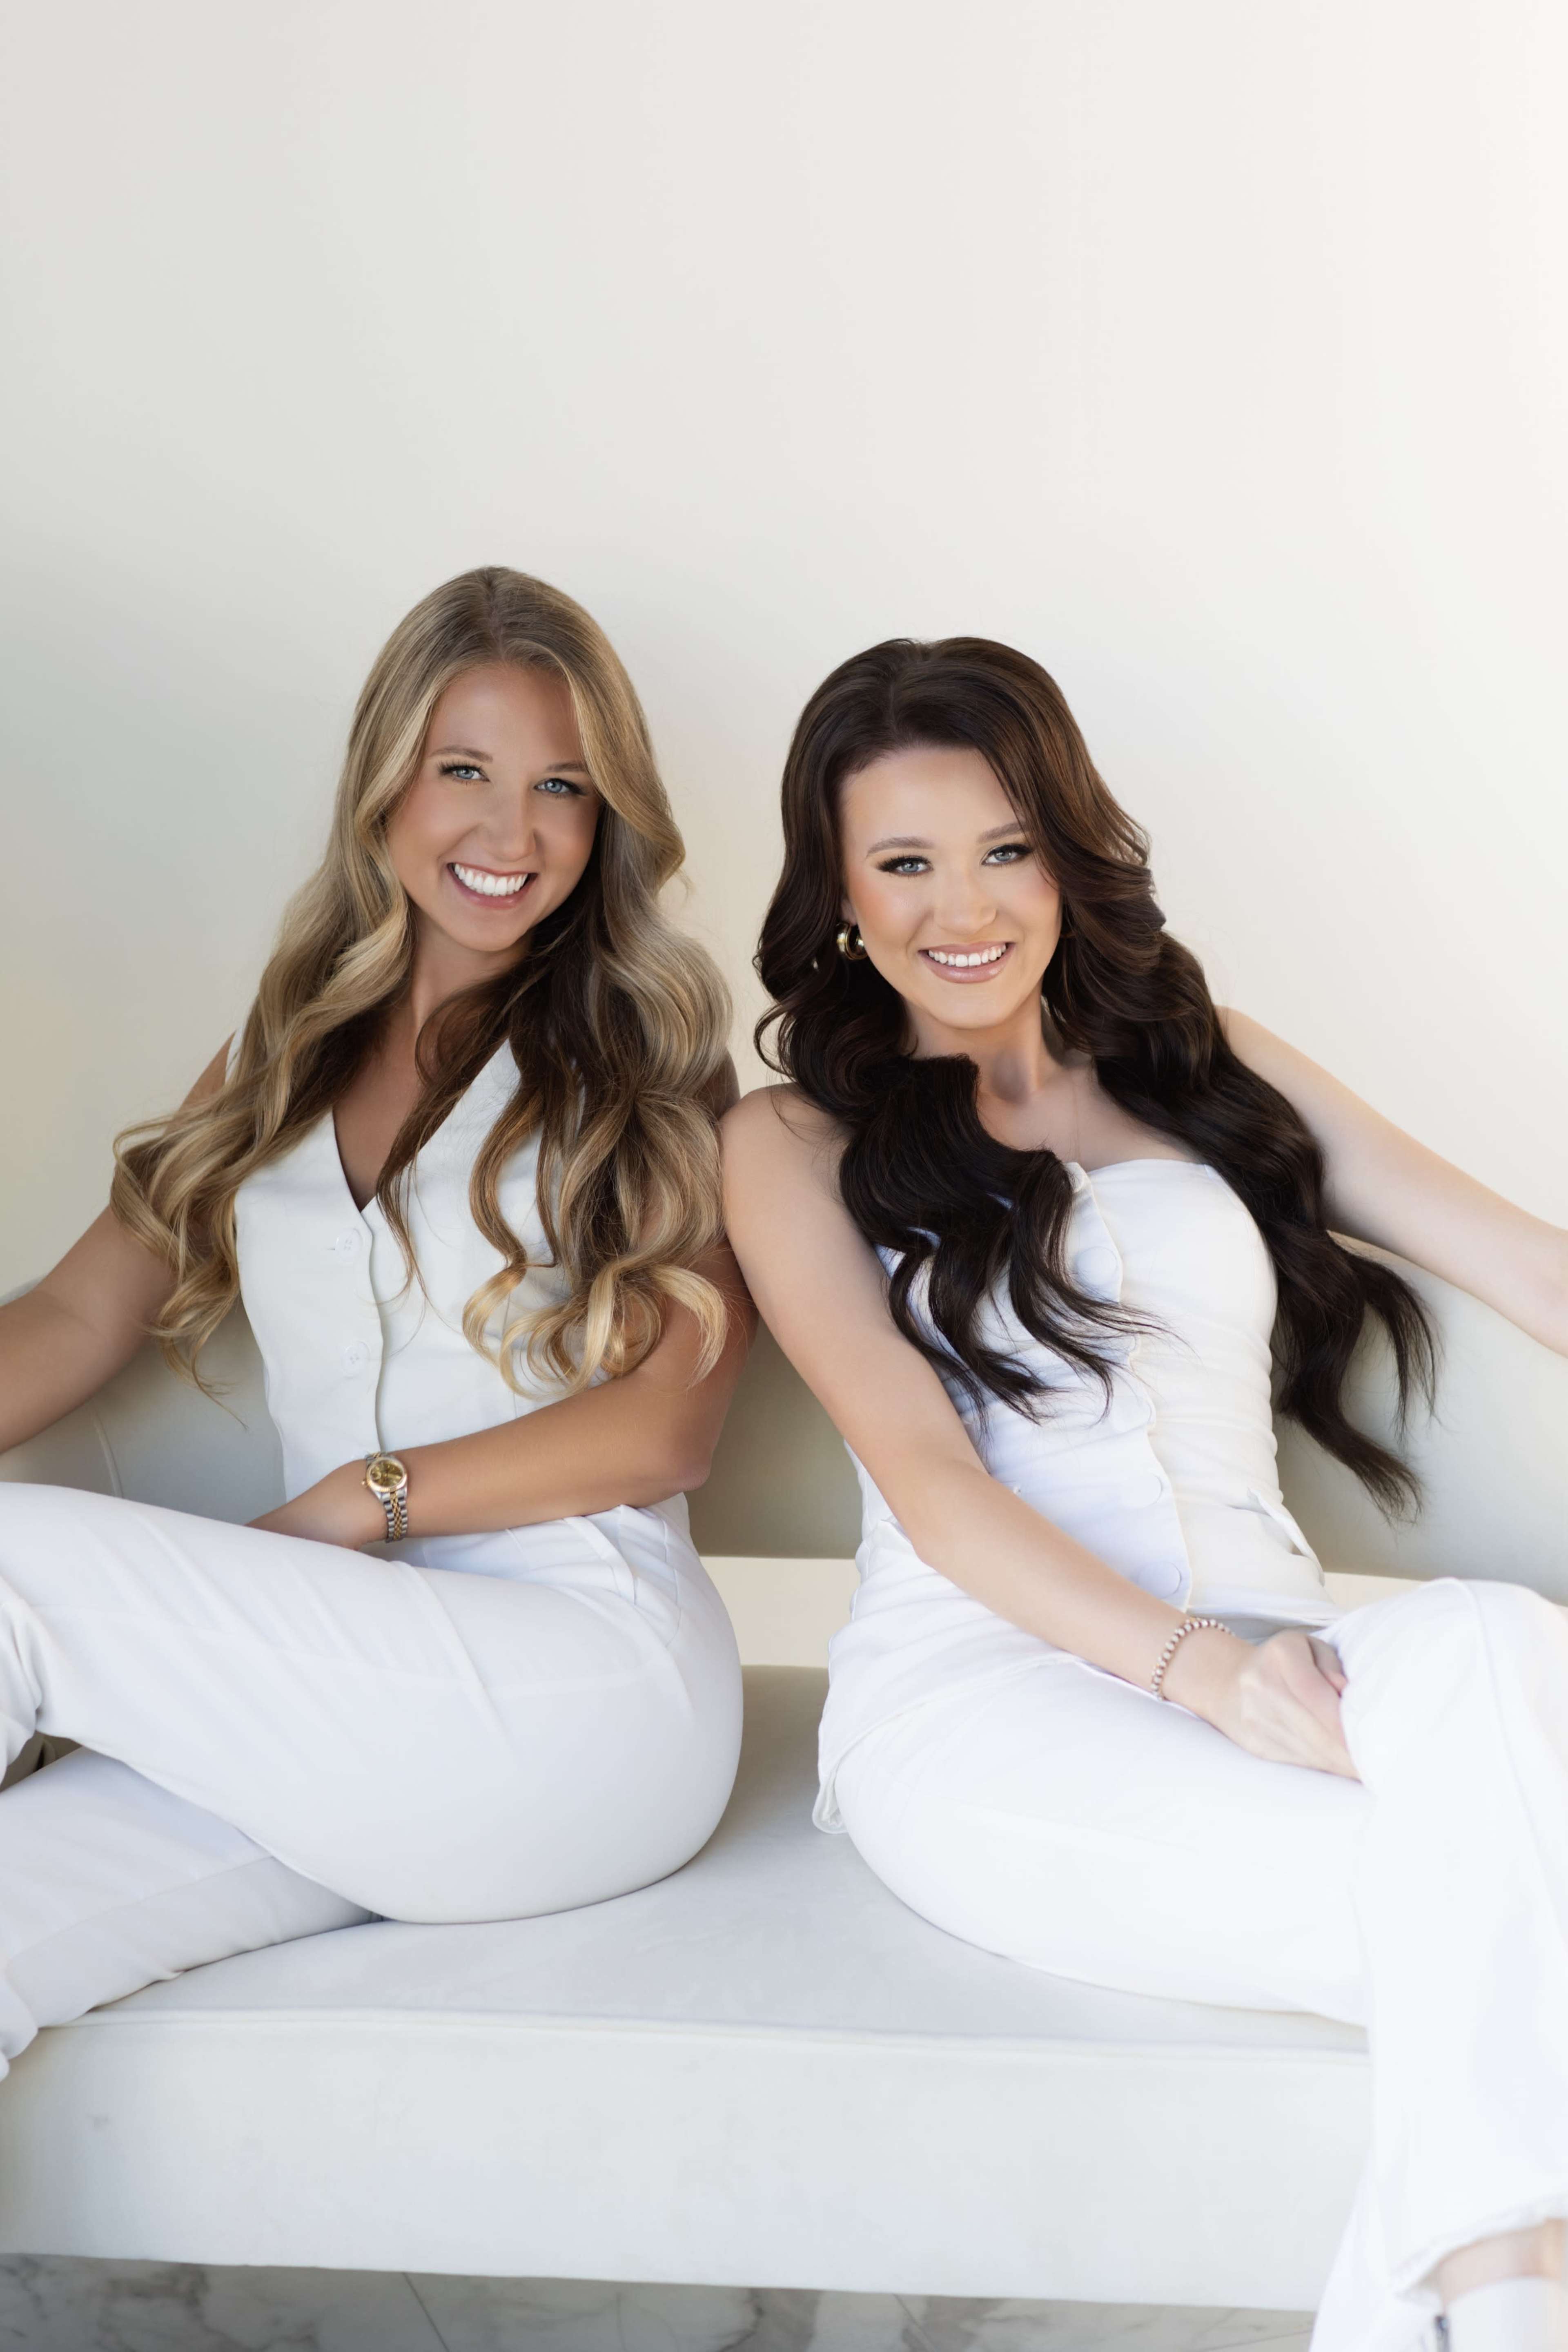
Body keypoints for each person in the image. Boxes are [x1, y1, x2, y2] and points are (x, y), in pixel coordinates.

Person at [721, 634, 1568, 2352]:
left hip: (1290, 1653)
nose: (965, 908)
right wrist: (1203, 1674)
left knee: (1498, 1643)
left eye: (1006, 849)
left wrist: (1257, 1666)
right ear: (840, 896)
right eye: (906, 863)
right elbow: (932, 1486)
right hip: (992, 1693)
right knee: (1488, 1899)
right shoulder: (791, 1142)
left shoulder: (1210, 1066)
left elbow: (1522, 1257)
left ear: (1067, 856)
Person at [0, 565, 750, 2079]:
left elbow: (670, 1425)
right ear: (385, 781)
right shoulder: (279, 1052)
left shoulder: (647, 1060)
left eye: (561, 787)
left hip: (579, 1692)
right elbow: (81, 1309)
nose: (511, 833)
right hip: (339, 1704)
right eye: (463, 770)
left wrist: (362, 1501)